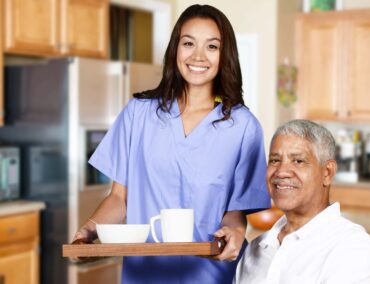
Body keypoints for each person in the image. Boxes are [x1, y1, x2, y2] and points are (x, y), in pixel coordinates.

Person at [72, 4, 270, 284]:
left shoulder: (243, 126)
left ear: (224, 55)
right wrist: (89, 230)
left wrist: (236, 232)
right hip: (145, 273)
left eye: (212, 46)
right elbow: (119, 197)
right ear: (175, 49)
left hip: (211, 274)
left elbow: (235, 211)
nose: (198, 56)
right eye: (188, 43)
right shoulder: (138, 113)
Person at [235, 119, 370, 284]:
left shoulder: (354, 247)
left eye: (298, 161)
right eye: (275, 160)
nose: (281, 172)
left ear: (327, 173)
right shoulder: (254, 249)